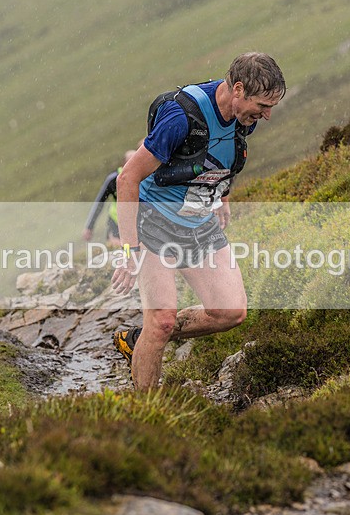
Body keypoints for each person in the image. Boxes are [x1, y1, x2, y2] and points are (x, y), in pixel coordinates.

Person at [111, 52, 286, 390]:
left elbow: (220, 157)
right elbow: (126, 180)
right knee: (161, 321)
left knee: (230, 311)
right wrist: (129, 249)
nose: (266, 117)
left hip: (198, 222)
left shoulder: (242, 118)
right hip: (154, 222)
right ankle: (147, 416)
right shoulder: (182, 116)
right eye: (263, 106)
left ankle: (141, 337)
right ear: (238, 89)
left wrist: (222, 196)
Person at [82, 149, 137, 248]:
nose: (134, 164)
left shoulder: (144, 177)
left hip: (135, 223)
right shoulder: (113, 180)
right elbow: (100, 202)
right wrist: (89, 227)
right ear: (123, 164)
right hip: (115, 222)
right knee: (119, 251)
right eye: (130, 161)